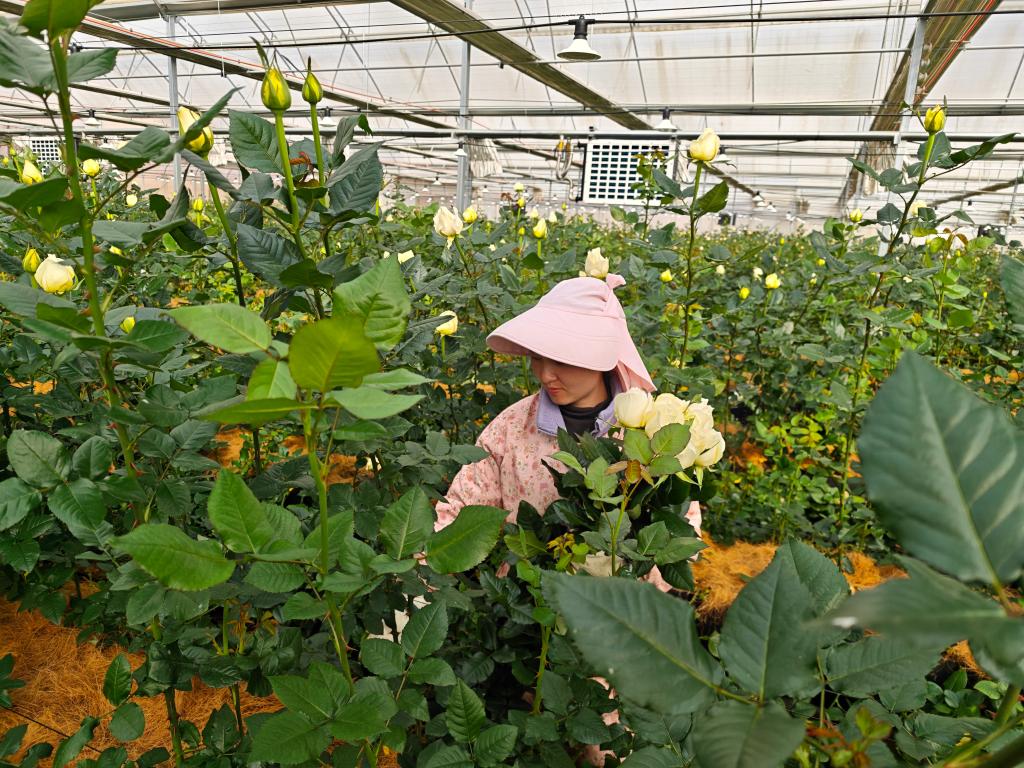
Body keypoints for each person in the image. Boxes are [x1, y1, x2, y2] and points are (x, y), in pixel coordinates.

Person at [435, 273, 702, 540]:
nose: (545, 375)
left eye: (561, 360)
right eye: (537, 357)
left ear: (600, 353)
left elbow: (681, 526)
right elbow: (459, 513)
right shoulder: (510, 427)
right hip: (527, 567)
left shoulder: (651, 429)